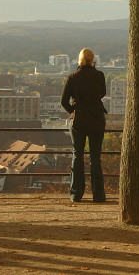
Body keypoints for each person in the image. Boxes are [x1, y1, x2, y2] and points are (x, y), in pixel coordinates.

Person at [61, 48, 107, 203]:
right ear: (92, 59)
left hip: (79, 120)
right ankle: (98, 195)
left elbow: (63, 101)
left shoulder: (73, 77)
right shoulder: (99, 76)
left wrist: (73, 111)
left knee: (77, 156)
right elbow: (102, 93)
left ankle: (76, 194)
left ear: (79, 60)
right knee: (95, 158)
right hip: (96, 119)